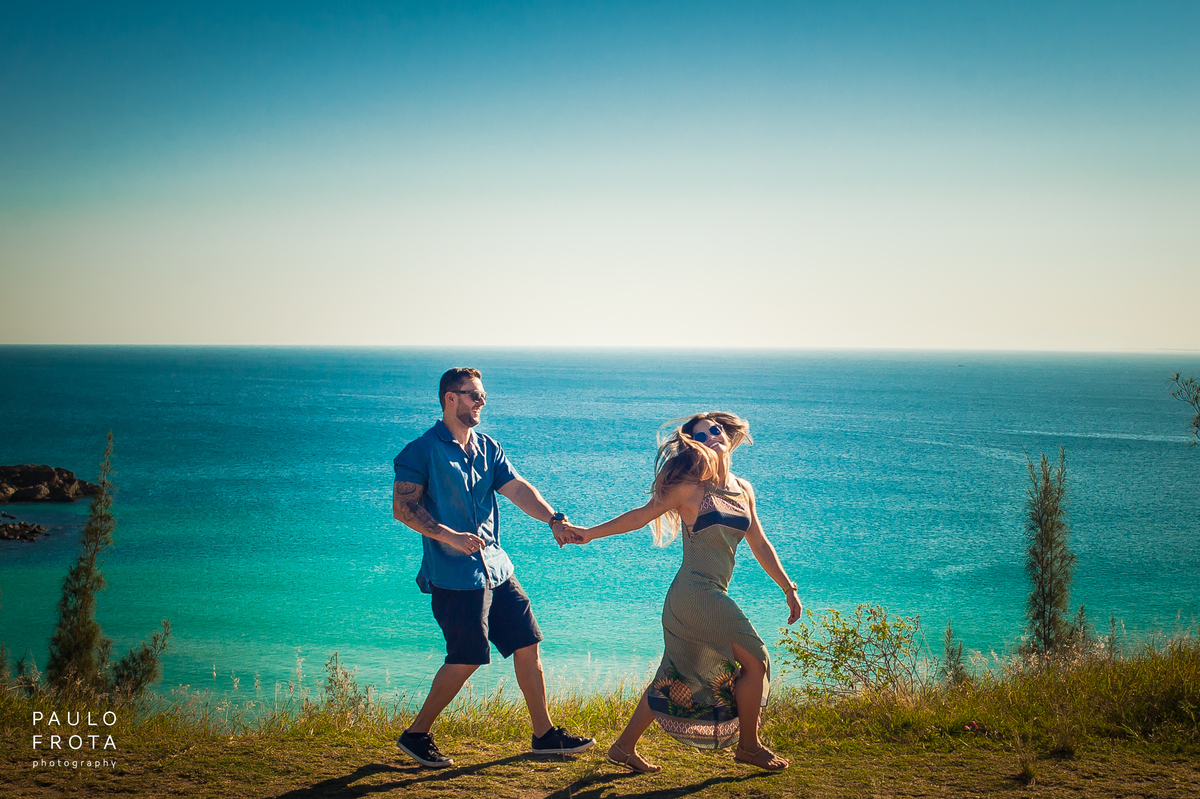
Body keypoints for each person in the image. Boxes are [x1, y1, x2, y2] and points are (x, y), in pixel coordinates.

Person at [564, 412, 802, 773]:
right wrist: (589, 533)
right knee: (757, 659)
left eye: (716, 430)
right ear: (694, 446)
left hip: (708, 594)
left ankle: (623, 748)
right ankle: (749, 746)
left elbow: (759, 542)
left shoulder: (743, 488)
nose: (712, 436)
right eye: (702, 435)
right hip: (695, 593)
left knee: (673, 676)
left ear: (727, 435)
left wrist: (788, 587)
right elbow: (640, 516)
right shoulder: (691, 487)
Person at [391, 367, 595, 768]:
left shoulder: (488, 448)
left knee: (527, 643)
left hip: (498, 569)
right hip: (454, 576)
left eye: (482, 395)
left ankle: (544, 735)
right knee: (466, 657)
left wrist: (554, 519)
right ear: (450, 398)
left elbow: (518, 489)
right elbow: (404, 509)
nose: (481, 402)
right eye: (473, 395)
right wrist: (449, 537)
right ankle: (416, 734)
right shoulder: (421, 451)